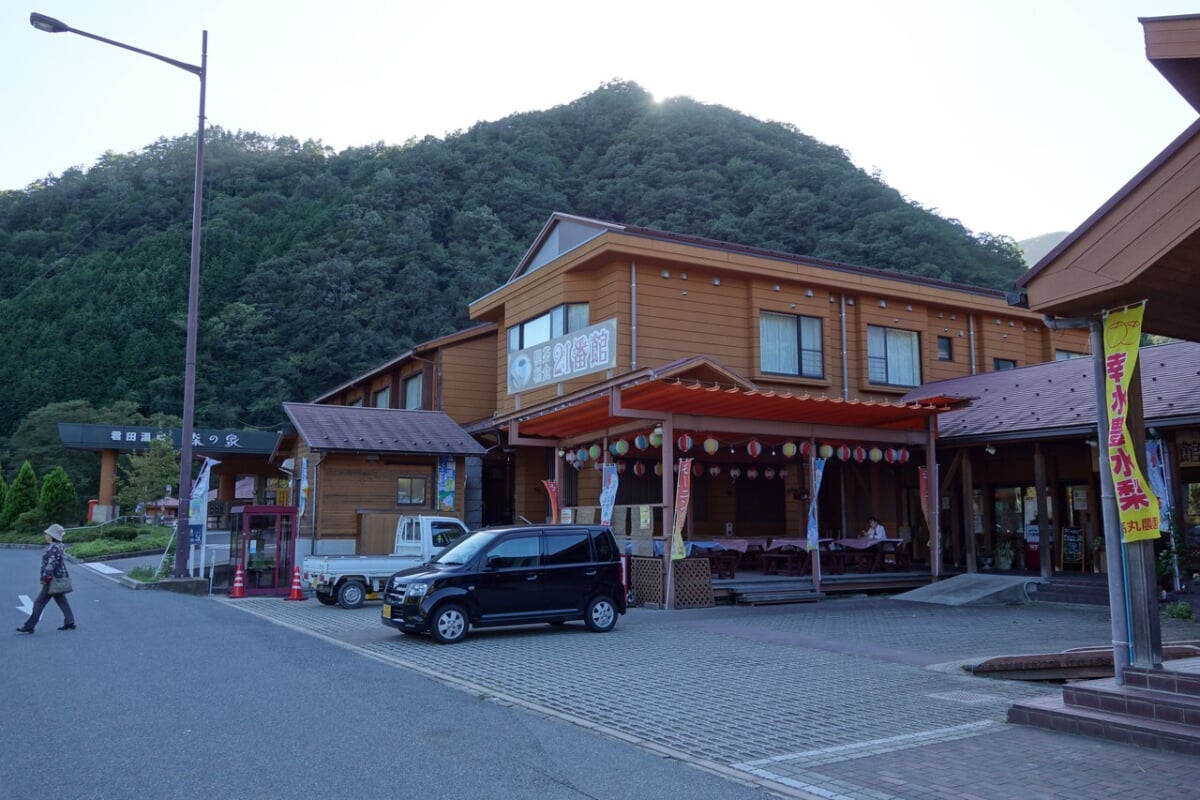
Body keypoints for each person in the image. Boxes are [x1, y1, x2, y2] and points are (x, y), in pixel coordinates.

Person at [16, 523, 76, 634]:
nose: (46, 535)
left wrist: (45, 577)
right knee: (61, 600)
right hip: (57, 578)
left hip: (51, 579)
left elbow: (51, 564)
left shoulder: (54, 548)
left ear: (52, 536)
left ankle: (29, 625)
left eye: (47, 534)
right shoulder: (59, 546)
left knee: (39, 602)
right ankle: (70, 621)